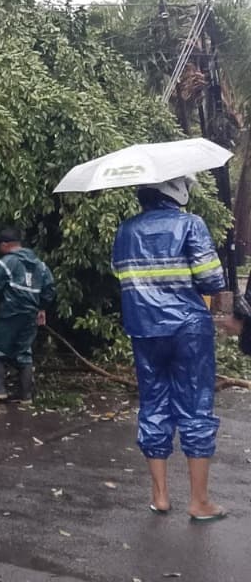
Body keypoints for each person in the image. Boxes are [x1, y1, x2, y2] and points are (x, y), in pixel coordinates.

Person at [112, 176, 227, 522]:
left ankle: (160, 496)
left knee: (153, 404)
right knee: (195, 406)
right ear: (176, 189)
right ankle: (199, 501)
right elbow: (212, 280)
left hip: (143, 328)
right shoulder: (191, 225)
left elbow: (120, 275)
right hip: (188, 329)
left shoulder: (125, 231)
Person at [0, 228, 56, 403]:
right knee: (23, 351)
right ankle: (25, 394)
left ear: (5, 245)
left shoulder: (9, 262)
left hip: (9, 310)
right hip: (30, 314)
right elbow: (49, 289)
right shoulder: (40, 265)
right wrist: (41, 308)